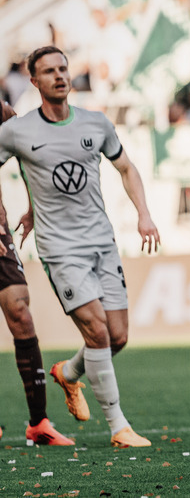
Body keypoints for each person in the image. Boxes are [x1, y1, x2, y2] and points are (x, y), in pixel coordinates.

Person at [0, 46, 161, 448]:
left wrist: (144, 214)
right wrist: (32, 210)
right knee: (97, 330)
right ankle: (119, 427)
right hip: (60, 249)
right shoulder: (18, 131)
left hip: (102, 242)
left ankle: (68, 374)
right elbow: (22, 168)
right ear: (34, 82)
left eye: (63, 68)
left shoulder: (96, 122)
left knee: (117, 337)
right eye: (48, 71)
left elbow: (126, 167)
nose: (59, 76)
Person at [0, 98, 75, 446]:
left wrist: (33, 205)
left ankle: (39, 423)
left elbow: (22, 147)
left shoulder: (3, 113)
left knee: (20, 311)